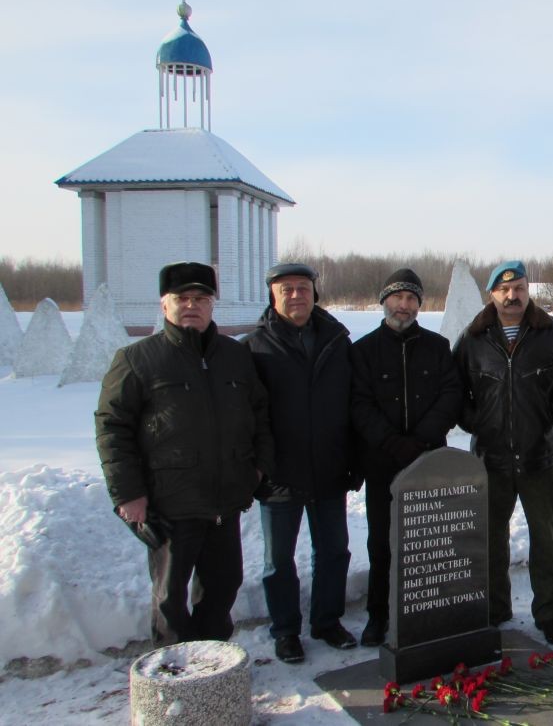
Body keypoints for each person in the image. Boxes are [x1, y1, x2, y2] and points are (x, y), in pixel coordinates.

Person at [96, 262, 274, 646]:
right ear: (164, 305)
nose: (192, 305)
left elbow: (259, 414)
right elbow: (112, 427)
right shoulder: (137, 359)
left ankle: (212, 665)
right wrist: (128, 493)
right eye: (182, 298)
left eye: (201, 298)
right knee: (170, 599)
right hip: (170, 503)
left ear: (213, 305)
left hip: (224, 501)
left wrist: (257, 469)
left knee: (223, 587)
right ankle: (175, 676)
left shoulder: (234, 355)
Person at [453, 260, 553, 646]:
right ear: (493, 294)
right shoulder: (474, 338)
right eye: (504, 290)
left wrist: (549, 417)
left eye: (519, 288)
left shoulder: (552, 333)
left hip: (540, 457)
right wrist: (479, 423)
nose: (512, 296)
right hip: (490, 460)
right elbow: (454, 391)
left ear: (528, 290)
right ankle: (494, 609)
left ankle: (550, 614)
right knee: (489, 542)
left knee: (549, 541)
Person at [242, 263, 357, 663]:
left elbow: (351, 403)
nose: (296, 295)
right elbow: (246, 415)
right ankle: (285, 630)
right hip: (280, 471)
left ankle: (327, 621)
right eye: (286, 289)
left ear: (314, 293)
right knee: (278, 561)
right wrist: (257, 465)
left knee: (334, 551)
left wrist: (352, 458)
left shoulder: (336, 341)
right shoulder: (254, 346)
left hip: (328, 466)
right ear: (273, 296)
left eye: (303, 288)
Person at [351, 268, 462, 646]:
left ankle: (427, 610)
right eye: (398, 297)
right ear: (385, 301)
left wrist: (420, 439)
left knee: (428, 541)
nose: (404, 305)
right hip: (383, 463)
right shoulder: (363, 350)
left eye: (412, 298)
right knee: (382, 542)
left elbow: (450, 395)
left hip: (427, 461)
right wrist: (392, 442)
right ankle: (378, 615)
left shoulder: (437, 347)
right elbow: (360, 404)